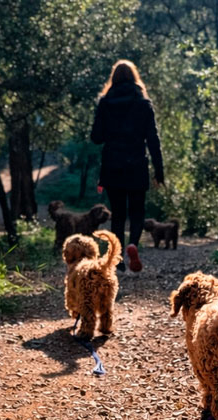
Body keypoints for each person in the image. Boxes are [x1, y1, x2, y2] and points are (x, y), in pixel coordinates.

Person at [90, 59, 164, 272]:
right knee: (137, 211)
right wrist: (159, 171)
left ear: (113, 78)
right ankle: (133, 244)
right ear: (134, 78)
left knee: (118, 214)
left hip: (113, 165)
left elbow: (96, 137)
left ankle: (118, 256)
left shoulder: (105, 103)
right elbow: (153, 140)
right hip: (137, 165)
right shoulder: (143, 103)